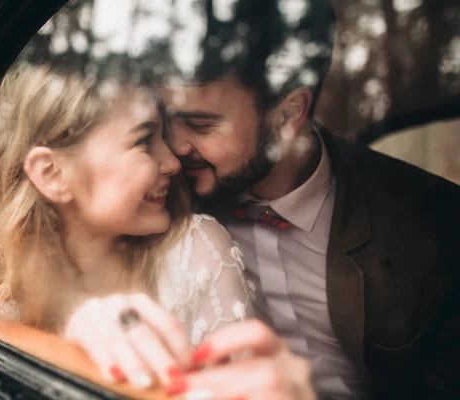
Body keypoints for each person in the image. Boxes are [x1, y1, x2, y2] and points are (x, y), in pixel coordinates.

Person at [158, 0, 460, 398]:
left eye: (200, 124)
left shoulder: (433, 224)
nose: (175, 146)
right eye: (168, 118)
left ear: (288, 115)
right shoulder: (163, 194)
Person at [0, 63, 257, 395]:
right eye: (145, 141)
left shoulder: (197, 251)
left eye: (163, 136)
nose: (173, 162)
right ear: (51, 174)